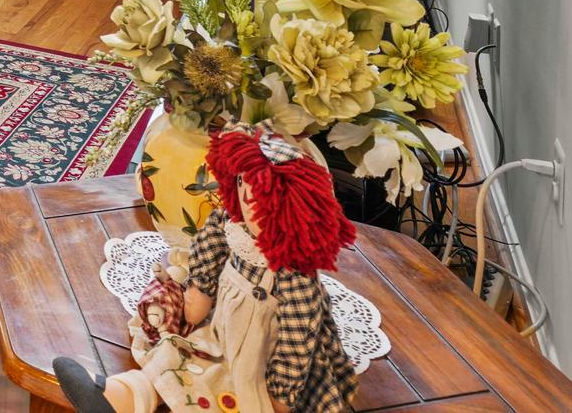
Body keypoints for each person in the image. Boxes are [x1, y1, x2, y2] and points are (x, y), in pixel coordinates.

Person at [55, 125, 359, 413]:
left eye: (260, 195)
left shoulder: (294, 276)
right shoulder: (232, 226)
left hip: (260, 357)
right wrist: (197, 295)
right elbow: (208, 254)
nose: (247, 200)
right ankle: (116, 394)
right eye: (241, 184)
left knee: (224, 388)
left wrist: (281, 394)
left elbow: (296, 341)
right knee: (175, 356)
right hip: (221, 330)